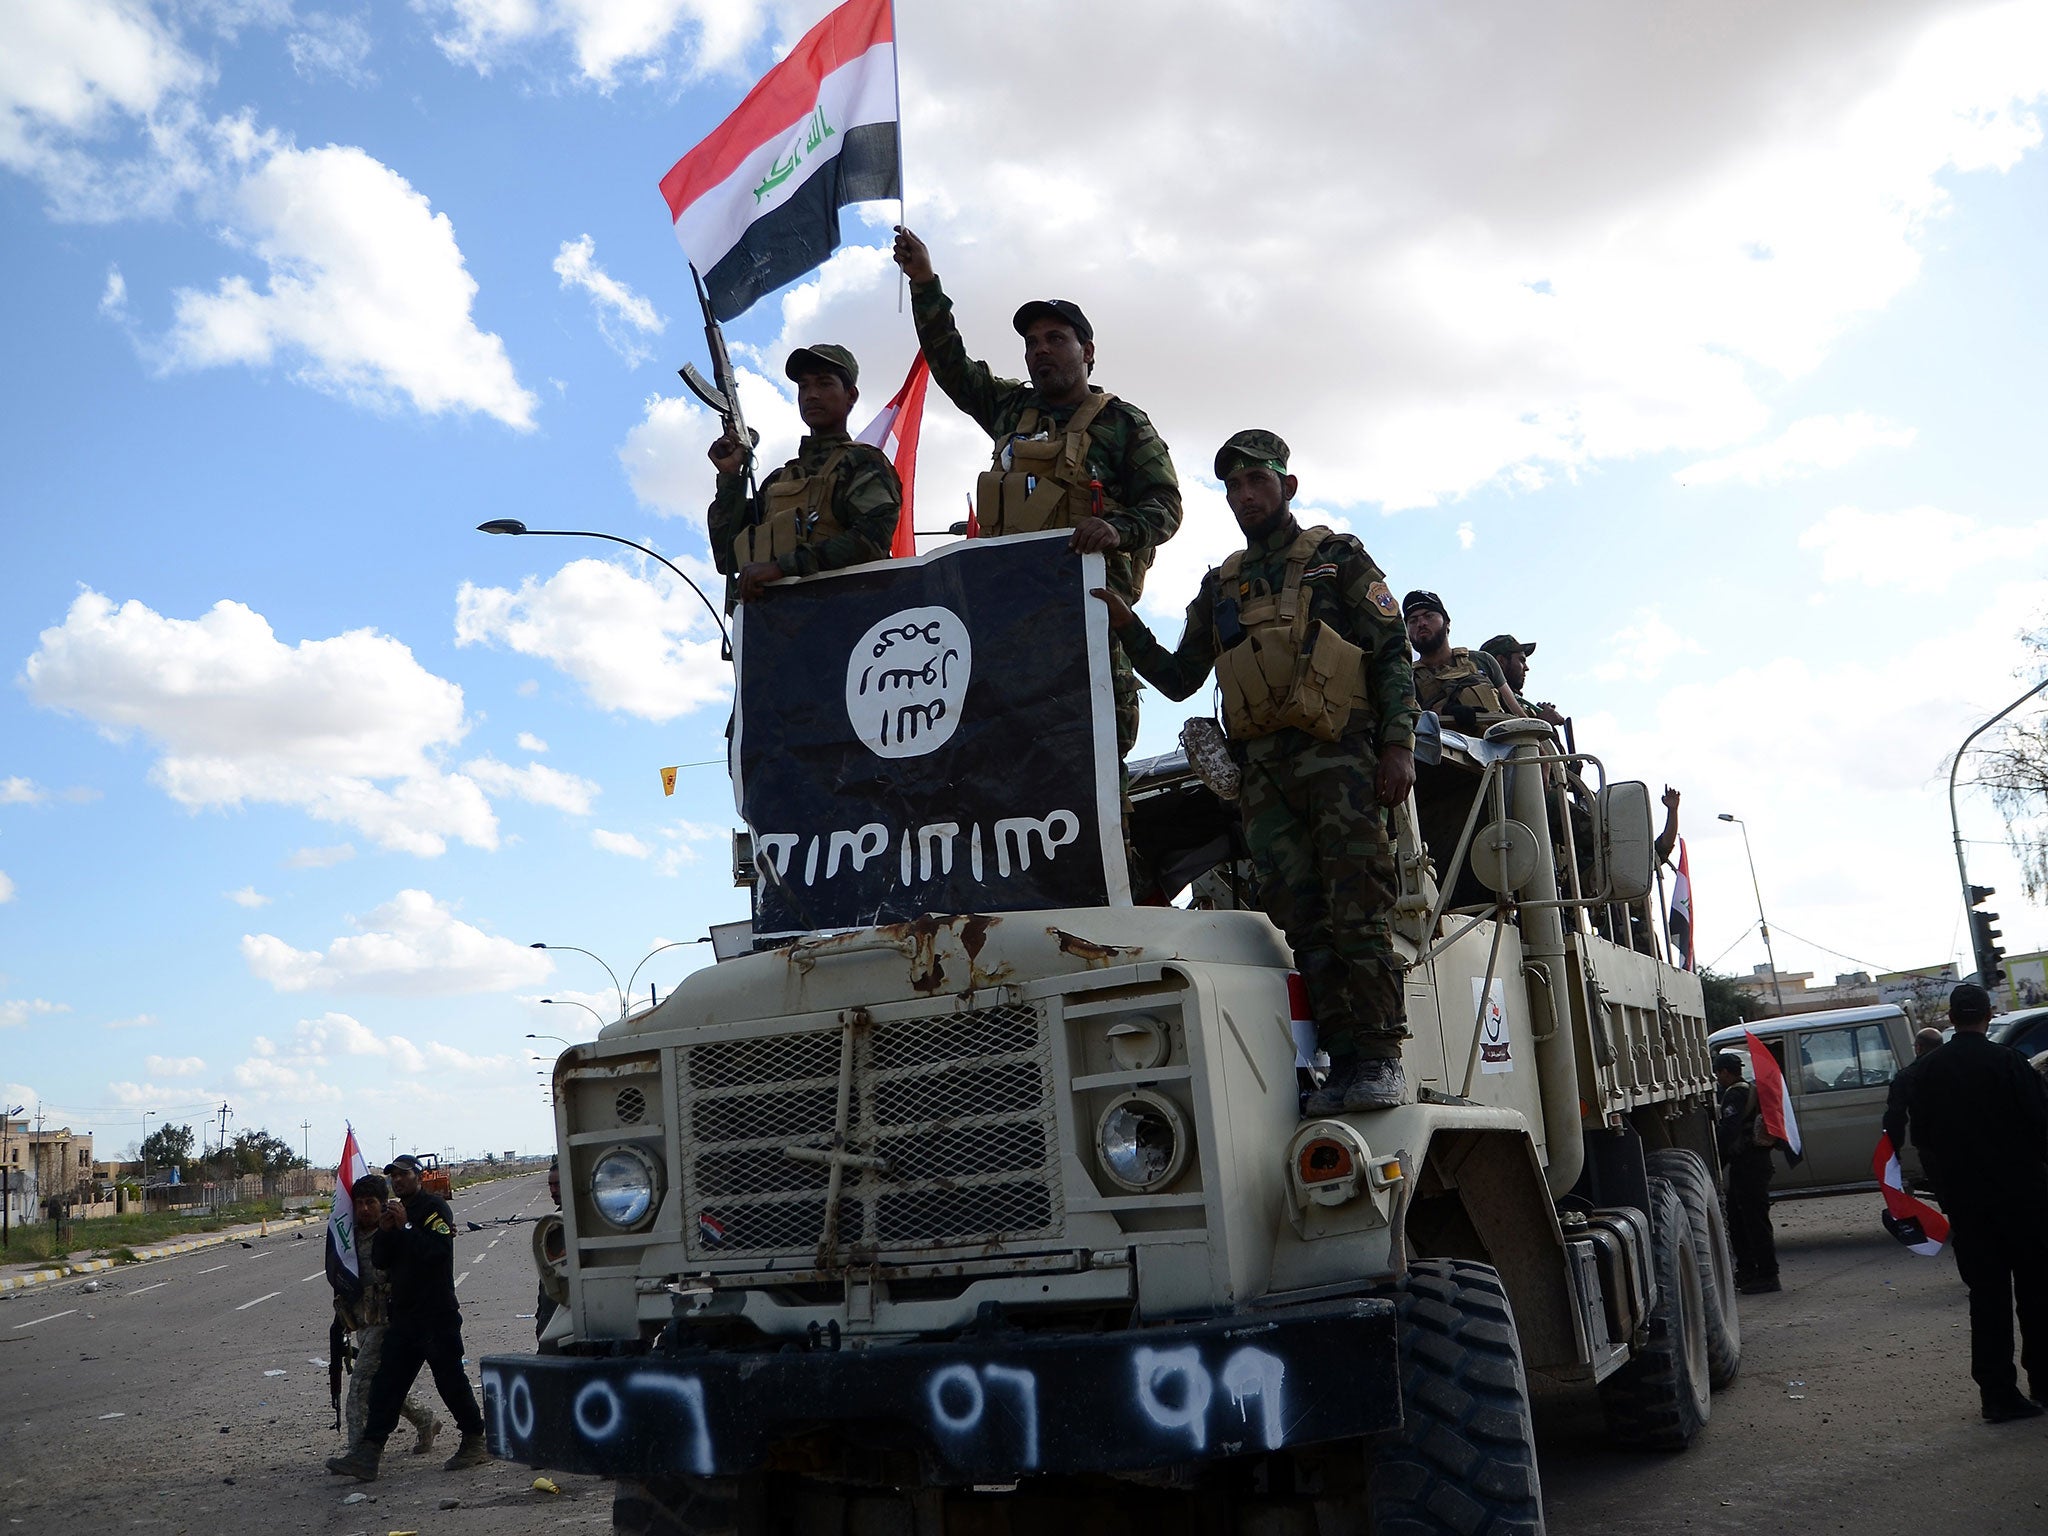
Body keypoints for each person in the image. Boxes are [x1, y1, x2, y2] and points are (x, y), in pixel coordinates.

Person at [1094, 430, 1418, 1113]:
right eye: (1234, 487)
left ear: (1287, 487)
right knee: (1304, 922)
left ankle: (1381, 1057)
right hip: (1266, 776)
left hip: (1342, 762)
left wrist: (1397, 746)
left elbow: (1390, 650)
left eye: (1257, 482)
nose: (1245, 496)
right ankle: (1342, 1061)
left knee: (1358, 909)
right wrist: (1126, 625)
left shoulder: (1338, 559)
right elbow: (1182, 678)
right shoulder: (1222, 585)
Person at [891, 226, 1182, 764]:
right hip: (1010, 627)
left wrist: (1119, 530)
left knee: (1095, 777)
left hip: (1088, 623)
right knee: (1011, 773)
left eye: (1055, 338)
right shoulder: (1009, 410)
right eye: (1031, 342)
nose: (1040, 350)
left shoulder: (1123, 424)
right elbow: (949, 361)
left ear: (1087, 351)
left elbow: (1165, 505)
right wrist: (925, 283)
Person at [1904, 983, 2048, 1422]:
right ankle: (2043, 1381)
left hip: (1968, 1203)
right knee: (2037, 1294)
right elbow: (2041, 1127)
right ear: (1987, 1016)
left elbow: (1922, 1139)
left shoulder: (1929, 1071)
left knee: (1986, 1298)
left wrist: (1947, 1189)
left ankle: (1997, 1394)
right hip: (2023, 1200)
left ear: (1950, 1019)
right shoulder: (2010, 1063)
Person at [325, 1154, 491, 1480]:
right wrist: (387, 1232)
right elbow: (383, 1259)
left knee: (450, 1381)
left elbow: (438, 1252)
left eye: (403, 1175)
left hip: (436, 1313)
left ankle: (475, 1438)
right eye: (393, 1177)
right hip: (405, 1316)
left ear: (419, 1176)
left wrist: (406, 1226)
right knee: (387, 1385)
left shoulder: (433, 1209)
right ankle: (368, 1453)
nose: (398, 1181)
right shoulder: (394, 1214)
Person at [707, 344, 903, 606]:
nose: (811, 395)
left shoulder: (862, 462)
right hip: (773, 628)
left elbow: (872, 540)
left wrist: (784, 567)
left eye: (824, 384)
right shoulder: (780, 480)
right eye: (803, 387)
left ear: (851, 395)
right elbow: (728, 557)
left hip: (845, 620)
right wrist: (730, 478)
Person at [329, 1173, 438, 1466]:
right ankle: (426, 1419)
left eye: (371, 1203)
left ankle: (358, 1453)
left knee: (361, 1389)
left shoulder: (390, 1234)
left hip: (388, 1324)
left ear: (383, 1204)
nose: (364, 1209)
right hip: (364, 1323)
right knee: (382, 1386)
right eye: (359, 1203)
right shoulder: (349, 1236)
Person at [1403, 593, 1526, 730]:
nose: (1421, 623)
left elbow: (1521, 718)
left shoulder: (1482, 661)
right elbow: (1406, 724)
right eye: (1413, 620)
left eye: (1429, 616)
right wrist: (1444, 712)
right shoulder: (1407, 678)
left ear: (1447, 623)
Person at [1714, 1051, 1781, 1294]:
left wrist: (1715, 1165)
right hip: (1753, 1165)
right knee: (1739, 1218)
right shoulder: (1748, 1089)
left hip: (1750, 1166)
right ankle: (1749, 1270)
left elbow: (1728, 1131)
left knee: (1754, 1221)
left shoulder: (1736, 1094)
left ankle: (1767, 1274)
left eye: (1718, 1074)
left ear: (1725, 1072)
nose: (1718, 1079)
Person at [1880, 1026, 1947, 1158]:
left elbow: (1896, 1117)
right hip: (1966, 1139)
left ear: (1918, 1048)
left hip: (1929, 1143)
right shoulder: (1954, 1069)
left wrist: (1893, 1149)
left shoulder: (1908, 1076)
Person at [1479, 633, 1567, 730]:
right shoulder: (1488, 698)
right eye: (1521, 660)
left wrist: (1537, 717)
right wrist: (1543, 723)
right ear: (1501, 661)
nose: (1526, 668)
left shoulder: (1517, 703)